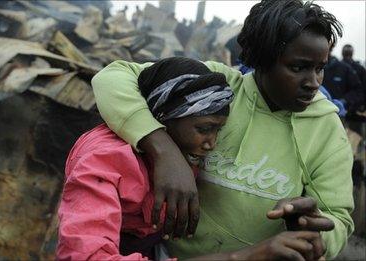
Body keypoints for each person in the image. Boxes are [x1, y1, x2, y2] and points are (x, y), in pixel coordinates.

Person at [91, 0, 354, 260]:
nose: (314, 83)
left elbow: (338, 220)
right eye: (298, 68)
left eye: (320, 68)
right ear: (262, 59)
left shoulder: (326, 128)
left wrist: (313, 234)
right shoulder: (215, 88)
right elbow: (112, 78)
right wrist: (163, 149)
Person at [56, 57, 234, 260]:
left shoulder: (184, 157)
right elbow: (84, 255)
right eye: (204, 129)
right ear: (163, 116)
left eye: (217, 131)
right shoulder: (105, 160)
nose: (211, 144)